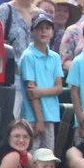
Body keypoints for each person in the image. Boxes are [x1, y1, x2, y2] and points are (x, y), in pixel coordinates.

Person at [0, 0, 43, 118]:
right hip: (14, 77)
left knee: (37, 125)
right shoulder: (5, 10)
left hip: (37, 78)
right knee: (14, 121)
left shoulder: (41, 14)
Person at [19, 13, 64, 150]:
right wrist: (39, 119)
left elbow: (59, 88)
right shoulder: (28, 56)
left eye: (47, 28)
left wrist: (40, 92)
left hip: (50, 114)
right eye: (39, 28)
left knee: (48, 155)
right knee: (33, 154)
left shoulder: (55, 57)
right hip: (33, 116)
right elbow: (31, 92)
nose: (43, 31)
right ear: (32, 31)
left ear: (52, 32)